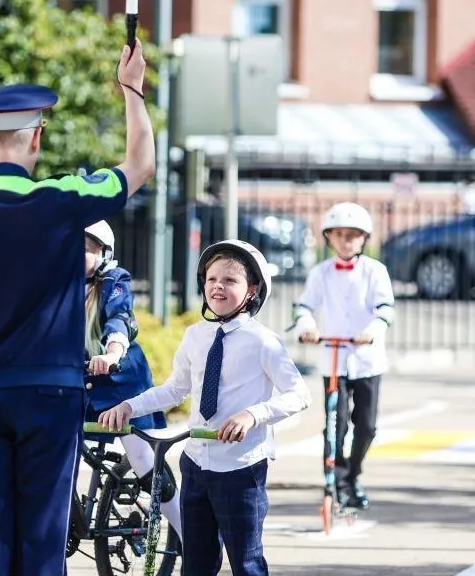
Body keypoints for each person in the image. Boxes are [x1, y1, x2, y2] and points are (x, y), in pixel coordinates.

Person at [0, 40, 155, 576]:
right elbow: (140, 164)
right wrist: (131, 90)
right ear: (36, 137)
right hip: (50, 396)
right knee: (43, 546)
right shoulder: (62, 199)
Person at [98, 240, 311, 576]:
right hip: (196, 463)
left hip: (241, 468)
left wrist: (253, 414)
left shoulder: (263, 341)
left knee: (246, 562)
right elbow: (174, 389)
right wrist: (128, 405)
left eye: (230, 280)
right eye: (212, 279)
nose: (218, 287)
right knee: (195, 562)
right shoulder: (195, 336)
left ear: (252, 290)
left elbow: (299, 394)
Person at [80, 219, 183, 542]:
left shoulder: (114, 281)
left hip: (121, 383)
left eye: (83, 248)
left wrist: (112, 354)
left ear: (104, 252)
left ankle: (190, 538)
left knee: (146, 464)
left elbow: (120, 319)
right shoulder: (53, 286)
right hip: (74, 384)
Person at [293, 202, 396, 511]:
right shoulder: (320, 273)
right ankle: (336, 481)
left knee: (366, 426)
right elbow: (305, 307)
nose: (345, 241)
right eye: (338, 234)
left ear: (364, 238)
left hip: (367, 359)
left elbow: (385, 310)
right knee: (336, 424)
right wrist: (307, 327)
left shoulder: (375, 271)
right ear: (328, 238)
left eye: (352, 235)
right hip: (334, 357)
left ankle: (353, 474)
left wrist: (372, 329)